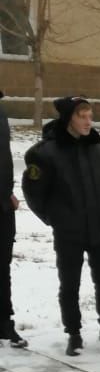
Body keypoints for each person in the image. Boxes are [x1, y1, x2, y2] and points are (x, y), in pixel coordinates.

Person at [21, 96, 100, 355]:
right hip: (68, 230)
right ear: (68, 118)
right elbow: (34, 192)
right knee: (69, 283)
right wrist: (54, 218)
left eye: (90, 116)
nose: (88, 121)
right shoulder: (45, 153)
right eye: (82, 116)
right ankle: (74, 333)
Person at [0, 91, 26, 348]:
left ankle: (5, 324)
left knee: (3, 265)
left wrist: (7, 191)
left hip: (2, 203)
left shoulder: (0, 111)